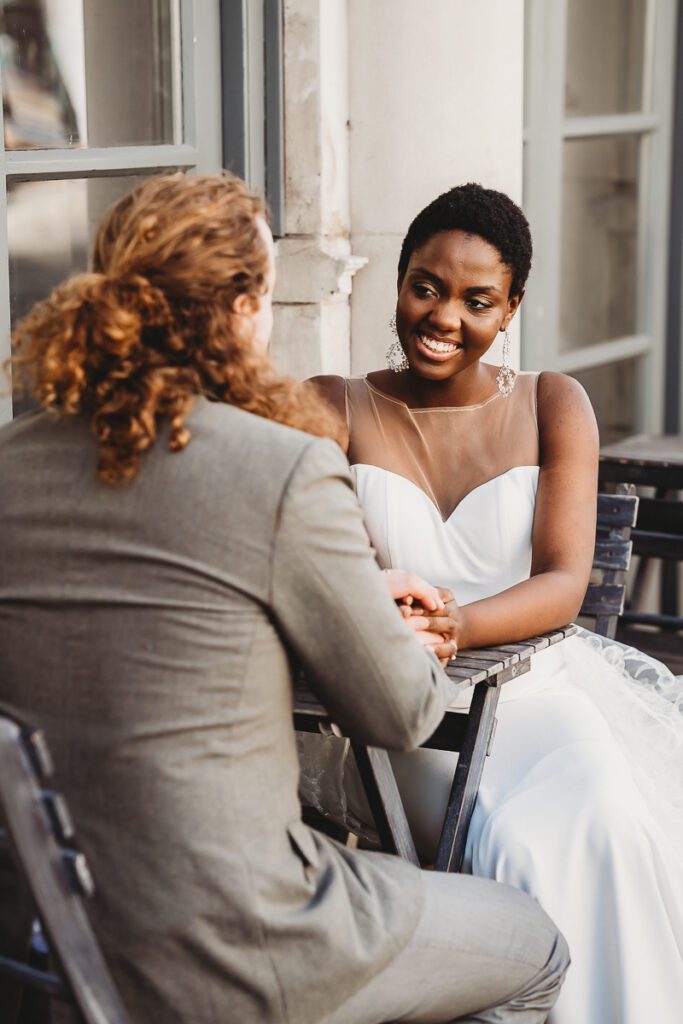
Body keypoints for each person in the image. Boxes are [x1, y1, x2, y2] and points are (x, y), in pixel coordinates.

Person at [0, 173, 569, 1024]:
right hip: (233, 947)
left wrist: (346, 584)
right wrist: (383, 625)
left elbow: (155, 591)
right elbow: (400, 714)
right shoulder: (281, 468)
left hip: (47, 932)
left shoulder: (11, 461)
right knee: (536, 947)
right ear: (239, 310)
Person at [304, 182, 683, 1024]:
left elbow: (561, 581)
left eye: (477, 300)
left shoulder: (554, 403)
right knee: (517, 840)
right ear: (398, 282)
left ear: (509, 309)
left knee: (606, 818)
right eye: (425, 287)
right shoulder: (331, 404)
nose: (443, 316)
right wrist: (392, 622)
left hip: (540, 699)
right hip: (406, 716)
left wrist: (460, 624)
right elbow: (320, 564)